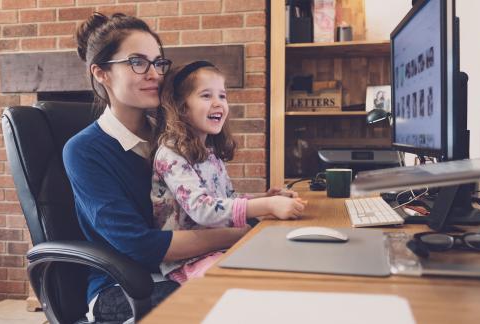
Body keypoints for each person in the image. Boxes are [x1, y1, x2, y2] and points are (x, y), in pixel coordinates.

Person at [63, 13, 251, 322]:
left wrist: (255, 208)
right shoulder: (84, 151)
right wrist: (241, 233)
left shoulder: (173, 137)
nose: (155, 74)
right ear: (101, 73)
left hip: (185, 267)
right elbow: (141, 245)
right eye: (138, 62)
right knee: (234, 301)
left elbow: (205, 198)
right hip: (125, 289)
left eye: (158, 62)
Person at [151, 61, 306, 283]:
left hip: (220, 247)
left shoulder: (209, 152)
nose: (218, 103)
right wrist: (267, 206)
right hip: (190, 260)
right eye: (206, 96)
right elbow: (202, 209)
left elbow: (226, 200)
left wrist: (267, 198)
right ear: (182, 108)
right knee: (240, 284)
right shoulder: (171, 153)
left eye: (222, 96)